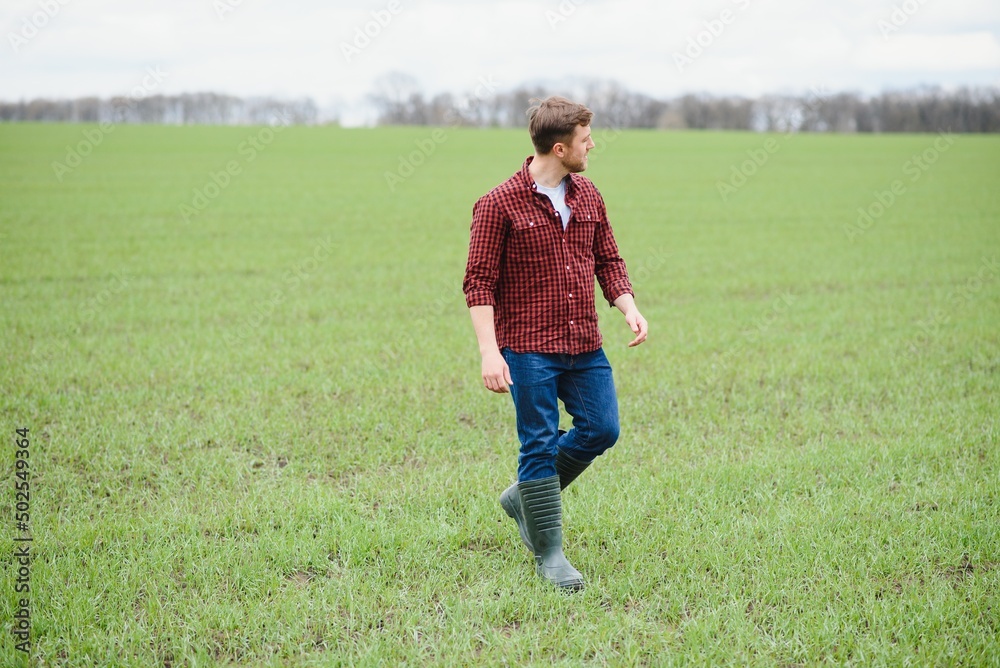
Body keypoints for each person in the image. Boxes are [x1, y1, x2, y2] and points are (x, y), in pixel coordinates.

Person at [462, 96, 648, 591]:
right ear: (560, 147)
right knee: (539, 442)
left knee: (602, 428)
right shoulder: (498, 204)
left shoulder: (588, 195)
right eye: (587, 140)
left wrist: (627, 306)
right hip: (527, 346)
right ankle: (549, 553)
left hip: (583, 343)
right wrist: (488, 351)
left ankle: (523, 498)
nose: (594, 145)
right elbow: (478, 283)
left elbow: (608, 259)